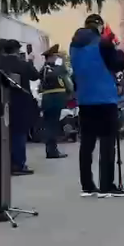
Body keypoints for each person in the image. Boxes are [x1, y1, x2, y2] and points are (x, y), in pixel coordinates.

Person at [70, 14, 124, 198]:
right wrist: (118, 50)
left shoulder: (74, 45)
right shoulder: (103, 42)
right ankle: (106, 185)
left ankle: (87, 186)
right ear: (100, 26)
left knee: (87, 143)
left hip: (85, 99)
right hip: (104, 98)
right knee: (107, 142)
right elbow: (117, 64)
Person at [0, 39, 41, 175]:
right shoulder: (23, 64)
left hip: (3, 102)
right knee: (19, 134)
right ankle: (18, 165)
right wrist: (30, 61)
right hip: (20, 103)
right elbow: (35, 76)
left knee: (6, 134)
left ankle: (6, 164)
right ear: (17, 50)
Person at [38, 44, 73, 159]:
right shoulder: (56, 69)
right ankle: (52, 151)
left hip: (48, 99)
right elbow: (66, 81)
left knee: (50, 125)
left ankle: (51, 150)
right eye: (55, 56)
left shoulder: (44, 69)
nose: (56, 58)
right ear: (51, 57)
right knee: (53, 126)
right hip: (54, 99)